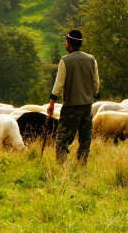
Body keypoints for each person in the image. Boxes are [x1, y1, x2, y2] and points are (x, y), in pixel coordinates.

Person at [47, 30, 100, 164]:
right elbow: (96, 83)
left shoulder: (65, 61)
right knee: (85, 137)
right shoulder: (91, 60)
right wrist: (93, 94)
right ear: (80, 44)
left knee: (62, 138)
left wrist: (52, 102)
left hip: (71, 106)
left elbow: (59, 85)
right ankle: (82, 164)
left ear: (69, 43)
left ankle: (61, 165)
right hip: (87, 105)